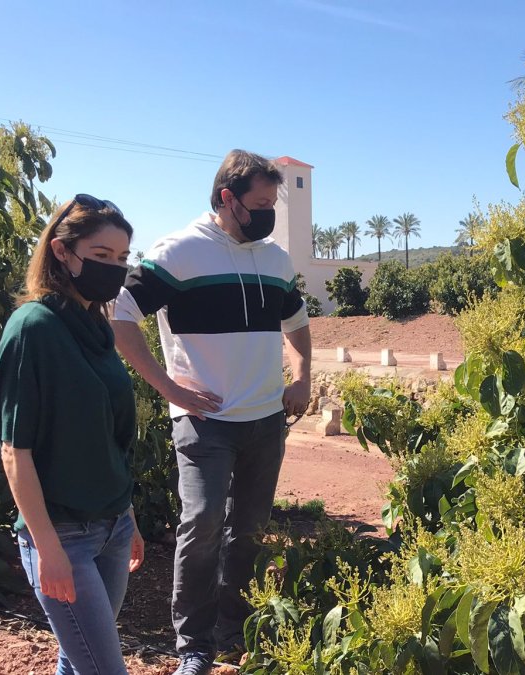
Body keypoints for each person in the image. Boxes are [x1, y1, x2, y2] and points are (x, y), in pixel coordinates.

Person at [110, 149, 312, 675]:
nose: (269, 214)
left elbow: (296, 323)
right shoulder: (179, 252)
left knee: (248, 529)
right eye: (262, 203)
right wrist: (167, 388)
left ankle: (233, 630)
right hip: (204, 423)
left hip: (266, 422)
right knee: (201, 524)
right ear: (229, 198)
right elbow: (121, 317)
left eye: (274, 203)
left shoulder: (274, 259)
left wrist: (303, 376)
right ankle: (192, 646)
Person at [0, 195, 145, 675]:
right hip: (64, 536)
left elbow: (109, 436)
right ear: (62, 251)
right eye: (101, 256)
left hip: (113, 527)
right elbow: (14, 450)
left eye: (122, 258)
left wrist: (129, 515)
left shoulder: (97, 328)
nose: (115, 269)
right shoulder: (33, 328)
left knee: (75, 658)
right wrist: (47, 549)